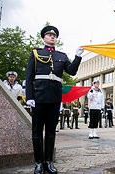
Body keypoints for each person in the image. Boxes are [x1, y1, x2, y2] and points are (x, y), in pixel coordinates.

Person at [25, 26, 83, 174]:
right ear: (44, 38)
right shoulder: (36, 53)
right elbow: (29, 76)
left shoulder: (62, 56)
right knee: (37, 131)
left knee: (51, 131)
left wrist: (77, 57)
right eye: (49, 35)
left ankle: (49, 162)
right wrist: (29, 97)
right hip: (38, 97)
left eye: (54, 36)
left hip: (55, 98)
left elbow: (71, 71)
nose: (52, 37)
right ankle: (38, 163)